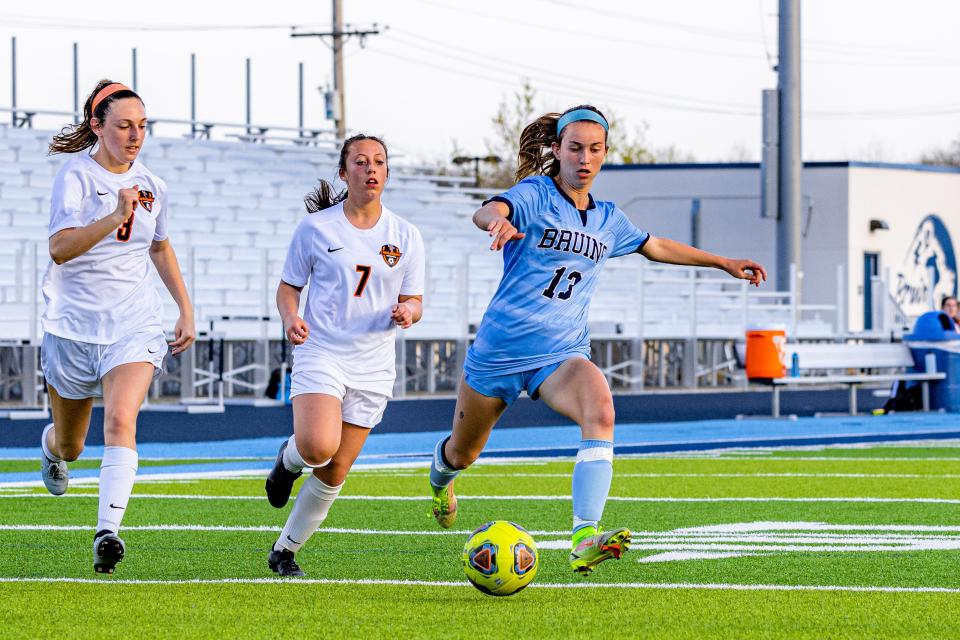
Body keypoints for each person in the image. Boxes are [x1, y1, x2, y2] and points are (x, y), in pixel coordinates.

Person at [427, 105, 767, 574]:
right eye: (574, 148)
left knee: (602, 409)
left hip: (561, 354)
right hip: (499, 353)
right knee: (462, 454)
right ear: (556, 150)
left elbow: (657, 246)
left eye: (594, 149)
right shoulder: (536, 193)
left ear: (604, 155)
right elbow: (490, 209)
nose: (584, 158)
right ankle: (440, 482)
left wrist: (722, 262)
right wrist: (496, 222)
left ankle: (584, 536)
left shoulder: (608, 219)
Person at [39, 79, 196, 574]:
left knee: (121, 421)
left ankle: (107, 532)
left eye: (142, 126)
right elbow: (60, 249)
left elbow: (159, 246)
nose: (134, 136)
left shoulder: (154, 185)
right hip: (72, 327)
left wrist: (185, 309)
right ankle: (52, 450)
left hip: (134, 323)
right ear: (97, 127)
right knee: (73, 444)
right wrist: (114, 215)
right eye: (124, 126)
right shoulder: (75, 177)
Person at [263, 134, 425, 577]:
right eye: (360, 162)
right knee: (317, 447)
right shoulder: (316, 228)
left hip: (374, 363)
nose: (370, 169)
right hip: (322, 351)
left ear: (387, 173)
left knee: (335, 470)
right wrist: (290, 316)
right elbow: (288, 288)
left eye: (378, 162)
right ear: (343, 172)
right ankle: (287, 460)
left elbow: (415, 299)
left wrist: (407, 311)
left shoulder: (405, 235)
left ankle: (285, 551)